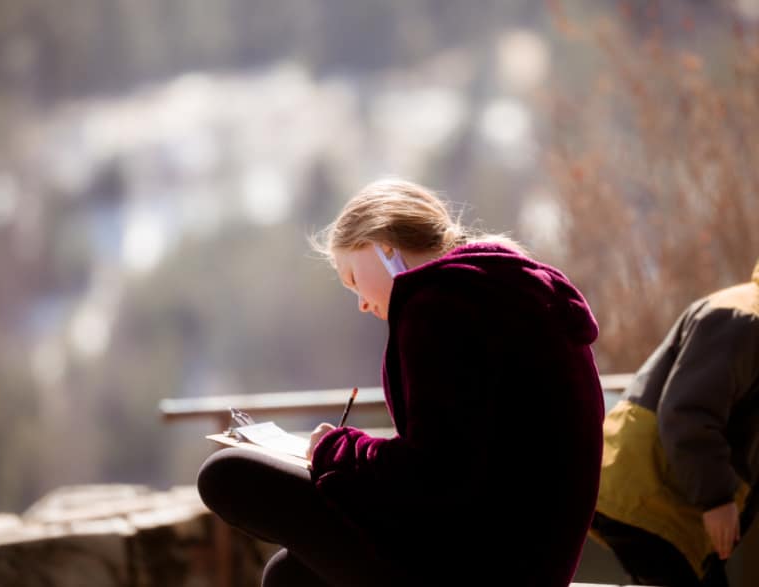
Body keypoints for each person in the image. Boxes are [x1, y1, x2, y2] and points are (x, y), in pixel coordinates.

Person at [197, 178, 605, 586]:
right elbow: (466, 460)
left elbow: (432, 475)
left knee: (227, 474)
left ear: (382, 245)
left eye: (354, 278)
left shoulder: (439, 307)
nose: (360, 303)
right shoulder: (505, 289)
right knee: (292, 575)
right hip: (527, 560)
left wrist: (336, 449)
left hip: (480, 564)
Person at [591, 258, 759, 587]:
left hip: (664, 503)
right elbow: (687, 413)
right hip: (650, 497)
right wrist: (717, 498)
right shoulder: (742, 318)